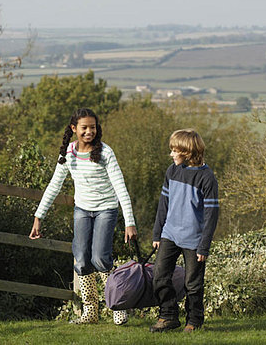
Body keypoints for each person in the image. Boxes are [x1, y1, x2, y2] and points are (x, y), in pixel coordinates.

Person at [29, 107, 137, 325]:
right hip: (82, 210)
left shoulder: (106, 152)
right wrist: (39, 216)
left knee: (99, 258)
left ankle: (118, 305)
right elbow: (54, 185)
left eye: (93, 127)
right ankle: (90, 313)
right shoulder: (69, 153)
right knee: (81, 259)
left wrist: (130, 222)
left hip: (106, 209)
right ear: (73, 129)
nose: (90, 131)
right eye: (84, 127)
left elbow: (120, 187)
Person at [150, 129, 219, 333]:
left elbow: (211, 216)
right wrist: (157, 234)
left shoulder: (207, 178)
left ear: (187, 152)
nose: (171, 154)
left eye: (174, 150)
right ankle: (168, 316)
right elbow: (163, 204)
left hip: (194, 240)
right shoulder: (172, 171)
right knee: (159, 277)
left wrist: (204, 246)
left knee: (193, 285)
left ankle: (194, 320)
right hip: (169, 234)